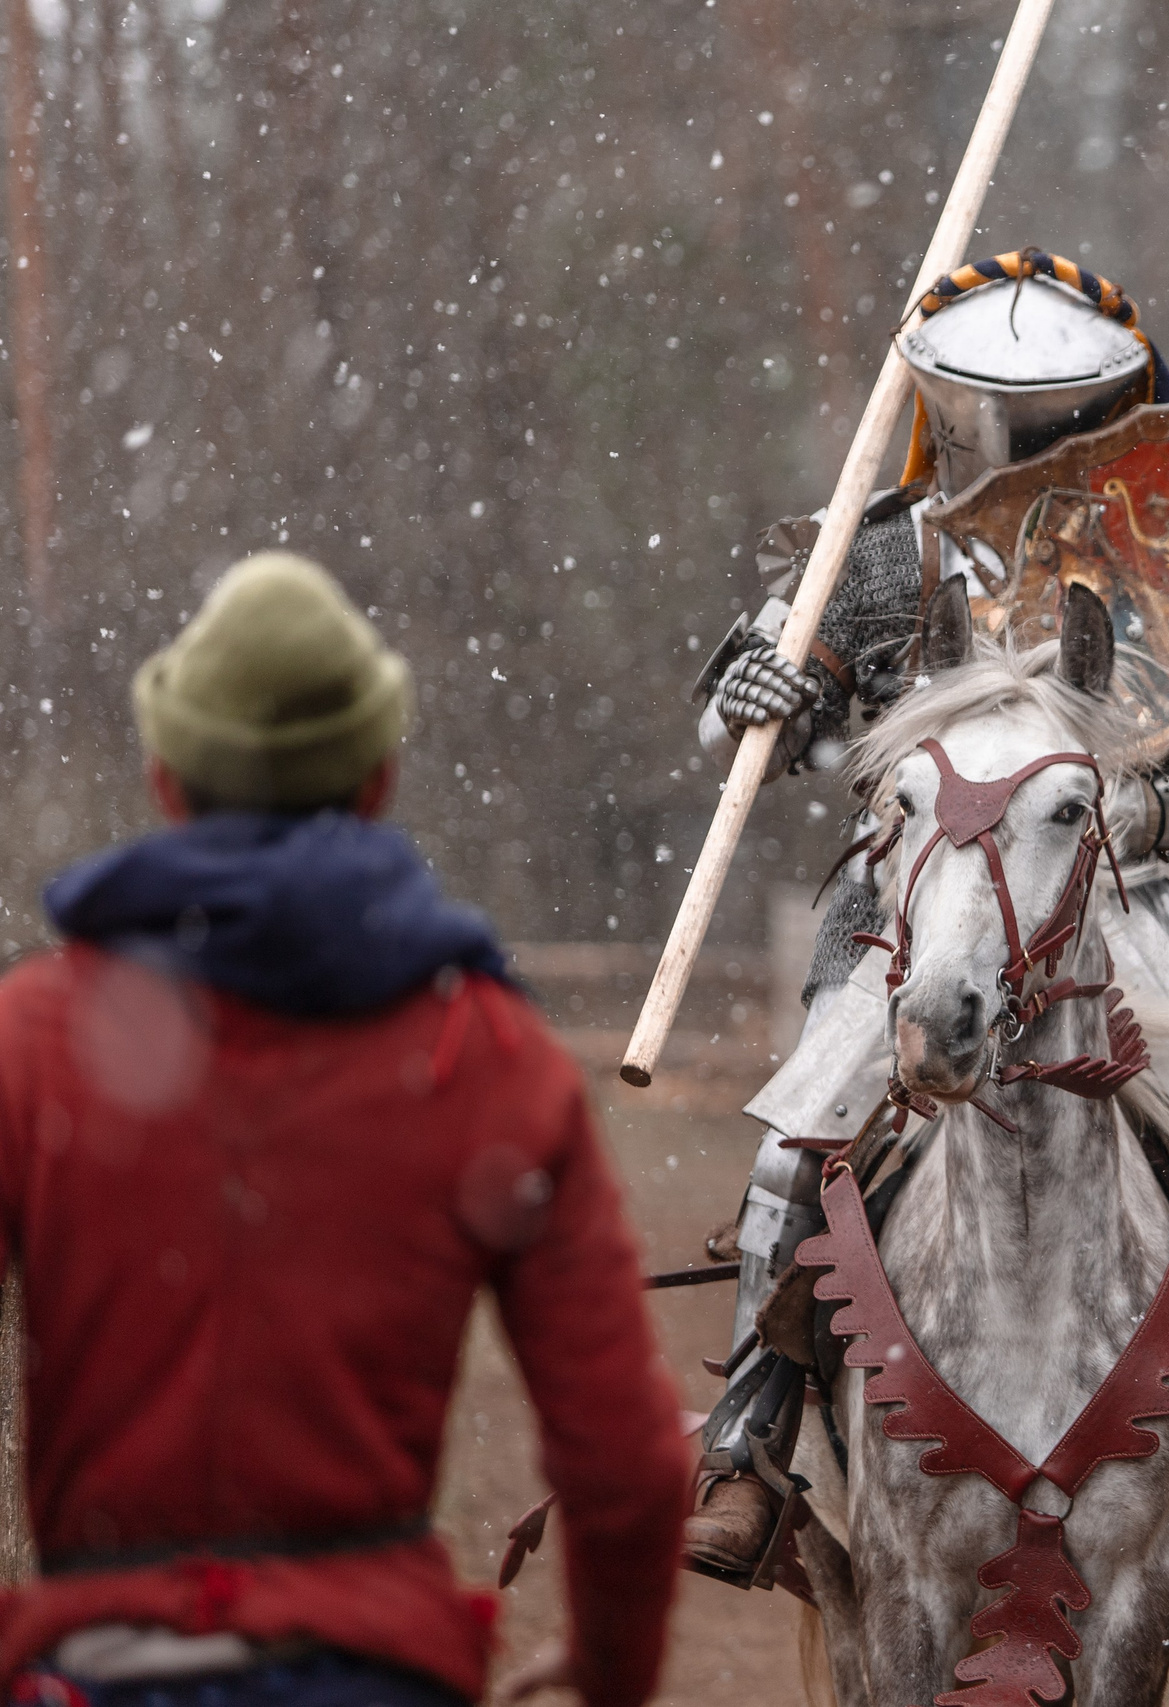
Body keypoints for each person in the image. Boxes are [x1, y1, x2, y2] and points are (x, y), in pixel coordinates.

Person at [680, 250, 1169, 1578]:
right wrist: (758, 692)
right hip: (902, 902)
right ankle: (749, 1447)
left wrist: (1130, 814)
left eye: (1055, 416)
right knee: (797, 1145)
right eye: (1001, 416)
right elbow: (758, 731)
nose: (1027, 440)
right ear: (944, 405)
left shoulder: (1164, 560)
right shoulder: (883, 550)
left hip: (1111, 902)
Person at [0, 554, 693, 1707]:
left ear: (165, 779)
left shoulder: (29, 1040)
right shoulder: (490, 1058)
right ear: (378, 778)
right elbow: (627, 1467)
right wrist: (612, 1673)